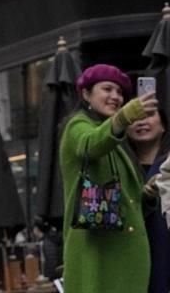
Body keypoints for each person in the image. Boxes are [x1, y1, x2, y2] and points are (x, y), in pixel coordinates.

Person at [60, 64, 158, 293]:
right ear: (86, 94)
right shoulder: (78, 126)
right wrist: (123, 118)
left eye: (120, 92)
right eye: (107, 89)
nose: (115, 96)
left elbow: (124, 201)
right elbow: (91, 144)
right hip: (97, 255)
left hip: (125, 256)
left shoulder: (118, 142)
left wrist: (147, 194)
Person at [128, 107, 170, 293]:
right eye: (134, 117)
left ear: (163, 126)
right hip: (133, 264)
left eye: (150, 115)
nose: (141, 121)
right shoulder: (119, 167)